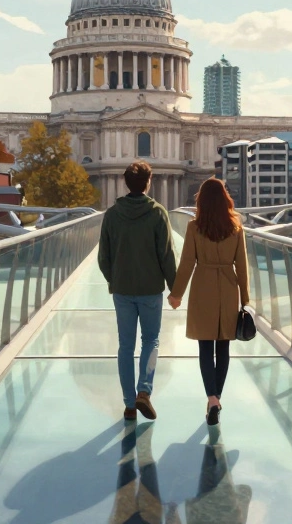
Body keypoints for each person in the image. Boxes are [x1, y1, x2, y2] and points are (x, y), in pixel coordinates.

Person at [98, 160, 177, 421]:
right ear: (148, 182)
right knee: (151, 340)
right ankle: (144, 390)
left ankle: (129, 404)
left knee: (125, 346)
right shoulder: (157, 213)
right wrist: (174, 289)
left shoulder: (111, 214)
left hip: (122, 289)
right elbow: (166, 255)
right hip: (151, 288)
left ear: (125, 183)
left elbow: (103, 257)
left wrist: (115, 279)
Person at [168, 177, 249, 426]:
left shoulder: (194, 227)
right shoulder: (236, 227)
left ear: (201, 200)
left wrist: (176, 293)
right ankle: (217, 399)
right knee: (223, 346)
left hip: (202, 286)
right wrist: (245, 300)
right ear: (225, 198)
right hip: (228, 287)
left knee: (205, 346)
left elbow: (187, 263)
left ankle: (211, 397)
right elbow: (242, 266)